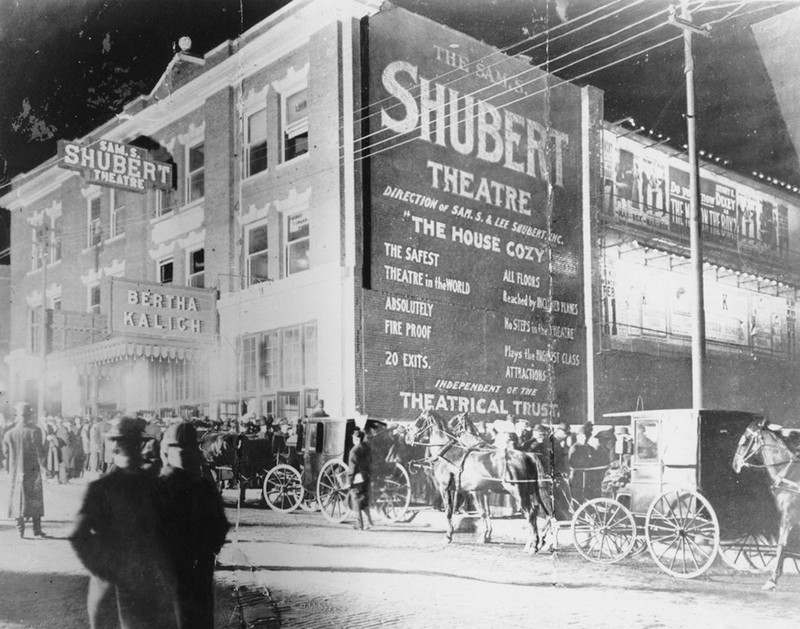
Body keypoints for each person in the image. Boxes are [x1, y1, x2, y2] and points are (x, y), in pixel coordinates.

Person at [70, 417, 178, 629]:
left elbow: (78, 534)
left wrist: (101, 568)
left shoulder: (101, 488)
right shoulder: (157, 486)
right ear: (139, 444)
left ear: (115, 445)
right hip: (145, 580)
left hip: (110, 581)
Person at [158, 421, 229, 629]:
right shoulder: (203, 483)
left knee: (185, 616)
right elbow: (220, 525)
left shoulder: (161, 485)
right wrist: (207, 552)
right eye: (180, 449)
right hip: (193, 565)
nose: (183, 453)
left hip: (181, 566)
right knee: (197, 615)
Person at [3, 402, 47, 538]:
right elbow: (40, 452)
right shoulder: (35, 431)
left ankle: (20, 529)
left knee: (18, 497)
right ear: (29, 416)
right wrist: (45, 467)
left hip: (16, 471)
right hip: (33, 470)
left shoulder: (9, 433)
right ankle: (36, 529)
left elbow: (5, 453)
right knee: (34, 497)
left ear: (17, 416)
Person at [347, 429, 373, 530]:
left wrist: (350, 481)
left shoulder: (353, 451)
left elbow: (352, 468)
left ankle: (359, 524)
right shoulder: (366, 448)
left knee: (356, 500)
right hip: (366, 477)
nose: (352, 439)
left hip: (357, 479)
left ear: (357, 439)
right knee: (364, 499)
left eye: (353, 438)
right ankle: (369, 522)